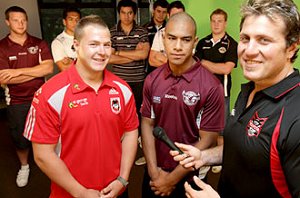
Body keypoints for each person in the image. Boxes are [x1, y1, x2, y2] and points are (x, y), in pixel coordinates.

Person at [171, 0, 300, 197]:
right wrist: (203, 157)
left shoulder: (295, 115)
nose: (248, 50)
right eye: (245, 38)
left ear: (291, 48)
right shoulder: (249, 90)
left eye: (264, 40)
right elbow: (243, 151)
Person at [23, 15, 139, 198]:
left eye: (107, 45)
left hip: (116, 189)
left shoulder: (123, 89)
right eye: (93, 44)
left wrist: (122, 179)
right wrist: (80, 192)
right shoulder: (50, 93)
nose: (102, 52)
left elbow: (131, 132)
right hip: (70, 193)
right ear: (76, 45)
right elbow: (42, 155)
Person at [141, 12, 225, 198]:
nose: (178, 47)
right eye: (172, 38)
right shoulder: (152, 80)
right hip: (154, 174)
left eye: (185, 40)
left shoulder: (211, 86)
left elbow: (208, 140)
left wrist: (170, 180)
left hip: (189, 176)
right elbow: (147, 124)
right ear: (163, 39)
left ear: (194, 42)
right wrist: (154, 173)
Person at [0, 6, 53, 187]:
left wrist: (16, 73)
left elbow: (47, 68)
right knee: (20, 138)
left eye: (23, 20)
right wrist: (34, 72)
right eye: (15, 20)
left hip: (41, 98)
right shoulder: (1, 47)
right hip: (16, 101)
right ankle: (24, 167)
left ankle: (51, 164)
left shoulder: (39, 43)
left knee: (48, 133)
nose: (20, 23)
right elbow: (3, 78)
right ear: (8, 22)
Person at [109, 0, 150, 167]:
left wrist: (119, 52)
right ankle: (119, 144)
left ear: (135, 14)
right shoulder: (111, 32)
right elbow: (109, 58)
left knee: (139, 113)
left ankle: (139, 144)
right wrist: (133, 53)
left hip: (139, 80)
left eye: (130, 13)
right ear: (119, 13)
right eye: (123, 12)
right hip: (119, 81)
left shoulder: (141, 31)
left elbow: (144, 55)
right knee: (118, 114)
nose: (127, 16)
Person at [148, 1, 185, 68]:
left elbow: (187, 63)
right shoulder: (160, 33)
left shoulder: (189, 34)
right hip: (162, 75)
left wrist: (162, 58)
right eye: (174, 15)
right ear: (168, 16)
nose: (177, 18)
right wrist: (175, 64)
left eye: (180, 15)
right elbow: (151, 61)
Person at [51, 7, 81, 71]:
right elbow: (64, 68)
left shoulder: (87, 37)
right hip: (72, 79)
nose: (74, 22)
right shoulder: (58, 42)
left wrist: (72, 61)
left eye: (77, 20)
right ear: (64, 22)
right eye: (71, 19)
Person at [143, 0, 169, 74]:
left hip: (165, 68)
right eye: (158, 11)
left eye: (164, 12)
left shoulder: (169, 29)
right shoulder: (144, 29)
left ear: (167, 14)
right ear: (153, 11)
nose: (161, 15)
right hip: (148, 70)